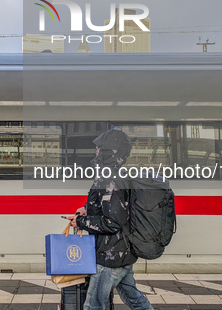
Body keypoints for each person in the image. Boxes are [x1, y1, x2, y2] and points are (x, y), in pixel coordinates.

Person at [66, 129, 154, 310]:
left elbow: (113, 221)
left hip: (111, 254)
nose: (96, 151)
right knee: (133, 297)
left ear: (110, 151)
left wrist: (81, 222)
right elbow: (112, 207)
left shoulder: (109, 178)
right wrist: (86, 209)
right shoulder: (115, 174)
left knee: (93, 305)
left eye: (99, 148)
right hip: (123, 251)